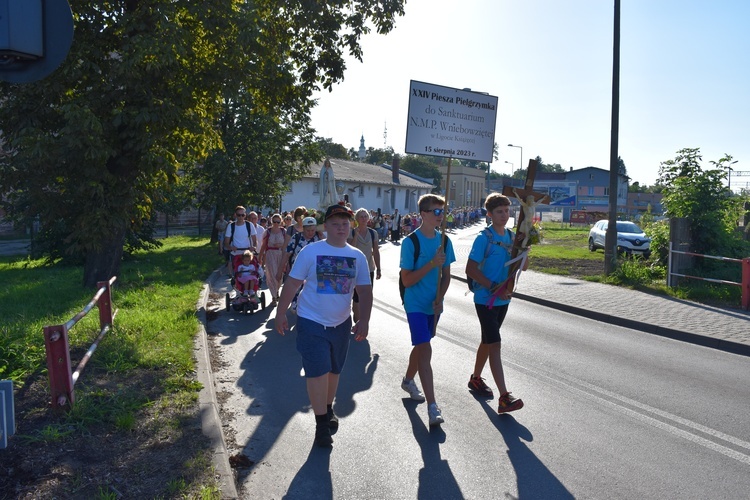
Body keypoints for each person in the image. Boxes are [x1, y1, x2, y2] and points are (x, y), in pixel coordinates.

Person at [275, 204, 372, 448]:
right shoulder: (310, 252)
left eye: (345, 223)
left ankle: (327, 409)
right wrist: (280, 312)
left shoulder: (357, 256)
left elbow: (364, 291)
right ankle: (321, 426)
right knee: (317, 371)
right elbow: (292, 283)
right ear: (325, 227)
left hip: (341, 324)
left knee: (333, 371)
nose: (341, 228)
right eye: (336, 224)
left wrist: (365, 319)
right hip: (311, 321)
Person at [464, 193, 528, 414]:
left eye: (507, 211)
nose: (504, 215)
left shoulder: (512, 237)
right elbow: (470, 269)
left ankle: (475, 379)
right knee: (495, 344)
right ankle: (504, 396)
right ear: (489, 214)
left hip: (504, 299)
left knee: (487, 341)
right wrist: (492, 286)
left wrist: (525, 245)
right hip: (485, 299)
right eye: (499, 211)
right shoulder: (484, 238)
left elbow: (524, 266)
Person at [399, 194, 455, 426]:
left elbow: (447, 276)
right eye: (437, 212)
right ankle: (433, 407)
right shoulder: (410, 242)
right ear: (423, 214)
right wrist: (431, 263)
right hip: (415, 304)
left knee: (422, 346)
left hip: (434, 306)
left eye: (443, 212)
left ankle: (408, 380)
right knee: (425, 348)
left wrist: (440, 297)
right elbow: (407, 280)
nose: (441, 216)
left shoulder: (445, 241)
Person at [347, 208, 381, 322]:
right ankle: (357, 320)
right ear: (357, 219)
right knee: (356, 296)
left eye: (365, 216)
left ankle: (363, 320)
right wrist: (356, 235)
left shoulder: (373, 233)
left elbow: (376, 251)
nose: (363, 219)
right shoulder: (351, 232)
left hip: (369, 268)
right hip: (355, 268)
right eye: (361, 216)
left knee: (366, 296)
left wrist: (379, 268)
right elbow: (350, 249)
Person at [259, 214, 286, 306]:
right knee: (272, 275)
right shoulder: (268, 232)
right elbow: (263, 245)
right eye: (274, 221)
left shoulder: (283, 231)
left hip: (280, 255)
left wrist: (281, 246)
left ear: (281, 222)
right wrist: (260, 258)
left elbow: (287, 245)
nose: (276, 223)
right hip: (270, 255)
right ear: (271, 221)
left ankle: (277, 290)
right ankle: (274, 296)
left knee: (279, 276)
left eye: (278, 222)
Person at [224, 206, 258, 276]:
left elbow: (255, 240)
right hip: (235, 254)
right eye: (239, 215)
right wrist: (231, 247)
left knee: (250, 273)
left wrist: (254, 247)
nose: (241, 217)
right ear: (235, 215)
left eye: (242, 215)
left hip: (247, 254)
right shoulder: (231, 226)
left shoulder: (249, 225)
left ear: (245, 215)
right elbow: (226, 242)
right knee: (238, 274)